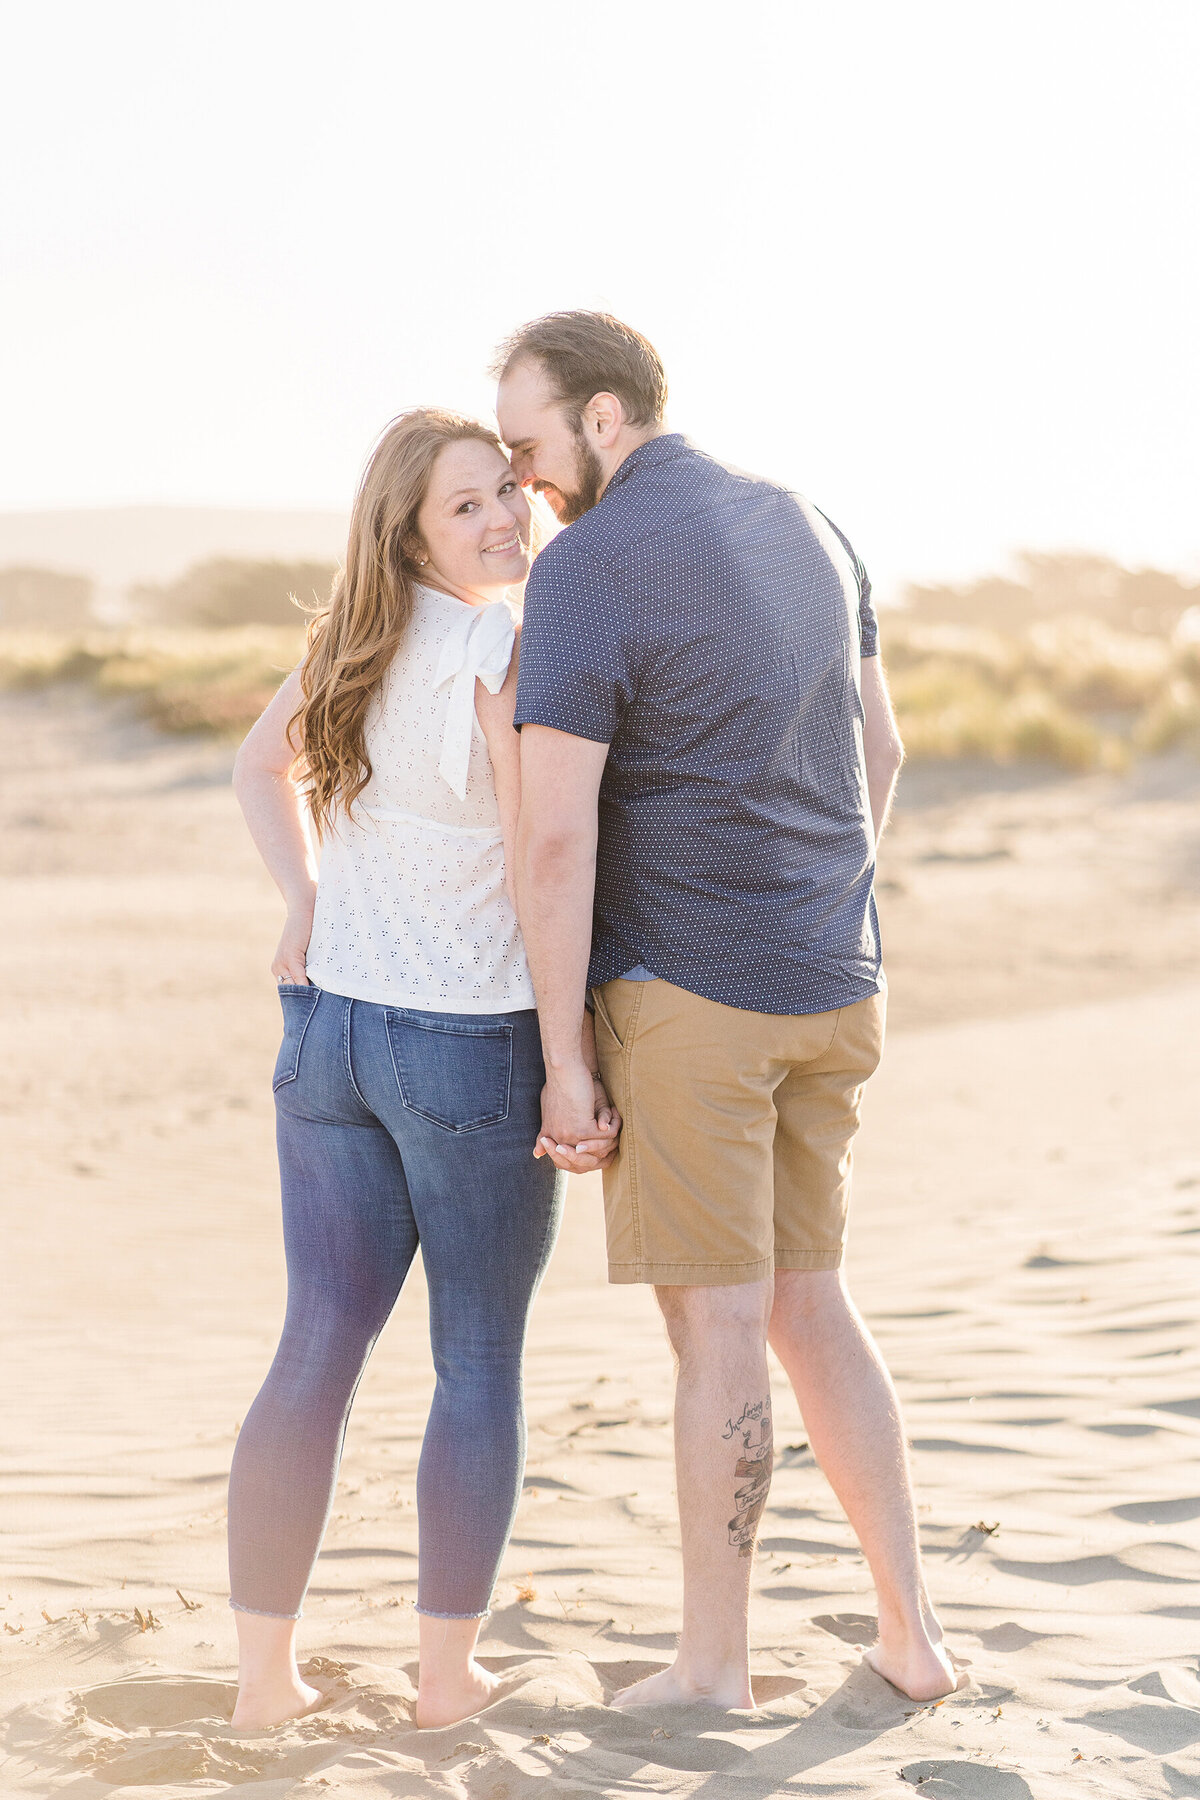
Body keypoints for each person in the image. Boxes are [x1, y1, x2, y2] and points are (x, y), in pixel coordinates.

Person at [495, 312, 956, 1708]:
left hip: (692, 1001)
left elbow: (557, 841)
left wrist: (563, 1057)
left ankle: (712, 1668)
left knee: (719, 1329)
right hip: (833, 983)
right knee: (813, 1305)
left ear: (606, 416)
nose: (525, 480)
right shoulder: (812, 522)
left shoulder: (588, 569)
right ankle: (911, 1640)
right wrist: (819, 898)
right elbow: (884, 747)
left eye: (530, 444)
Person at [225, 408, 619, 1733]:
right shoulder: (505, 647)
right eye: (467, 505)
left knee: (317, 1345)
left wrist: (303, 897)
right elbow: (540, 860)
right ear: (409, 529)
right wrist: (568, 1062)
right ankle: (445, 1682)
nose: (506, 515)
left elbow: (255, 766)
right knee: (477, 1364)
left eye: (507, 489)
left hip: (330, 1035)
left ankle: (265, 1686)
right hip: (465, 1040)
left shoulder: (355, 632)